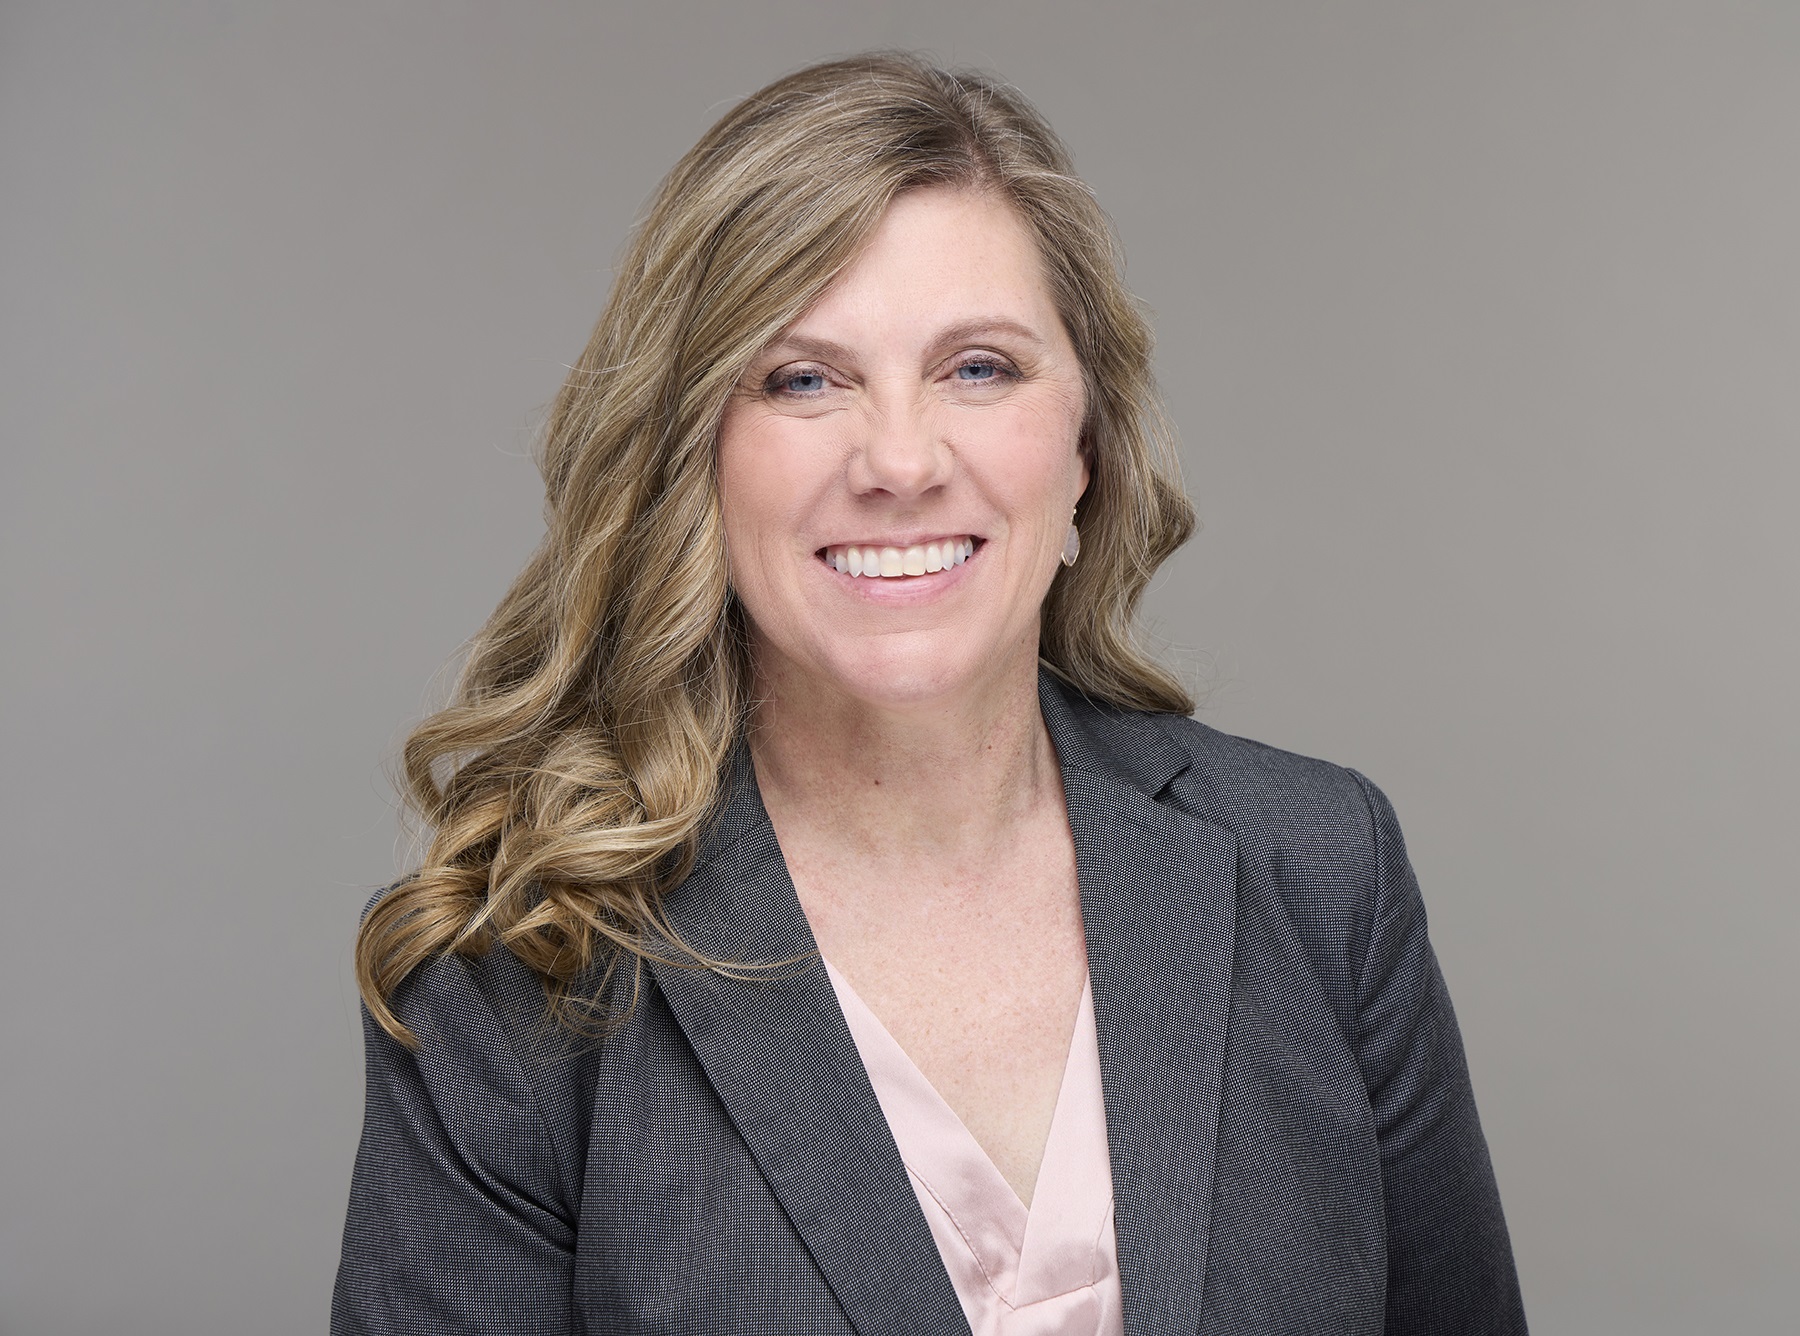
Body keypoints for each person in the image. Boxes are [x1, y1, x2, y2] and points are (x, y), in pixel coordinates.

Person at [332, 52, 1526, 1336]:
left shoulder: (1321, 871)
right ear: (694, 455)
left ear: (1086, 443)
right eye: (804, 379)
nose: (899, 461)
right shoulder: (521, 966)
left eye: (979, 368)